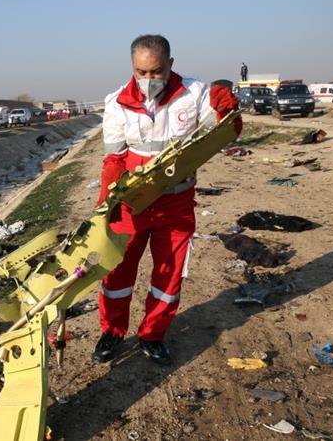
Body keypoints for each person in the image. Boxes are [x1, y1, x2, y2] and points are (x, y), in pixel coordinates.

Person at [93, 34, 242, 366]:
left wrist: (227, 108)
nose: (149, 79)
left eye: (156, 71)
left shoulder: (195, 94)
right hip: (132, 206)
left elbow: (226, 130)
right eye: (141, 72)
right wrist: (107, 198)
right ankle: (113, 331)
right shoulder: (117, 102)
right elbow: (114, 158)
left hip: (175, 206)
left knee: (169, 277)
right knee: (116, 273)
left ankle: (152, 334)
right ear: (132, 67)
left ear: (170, 64)